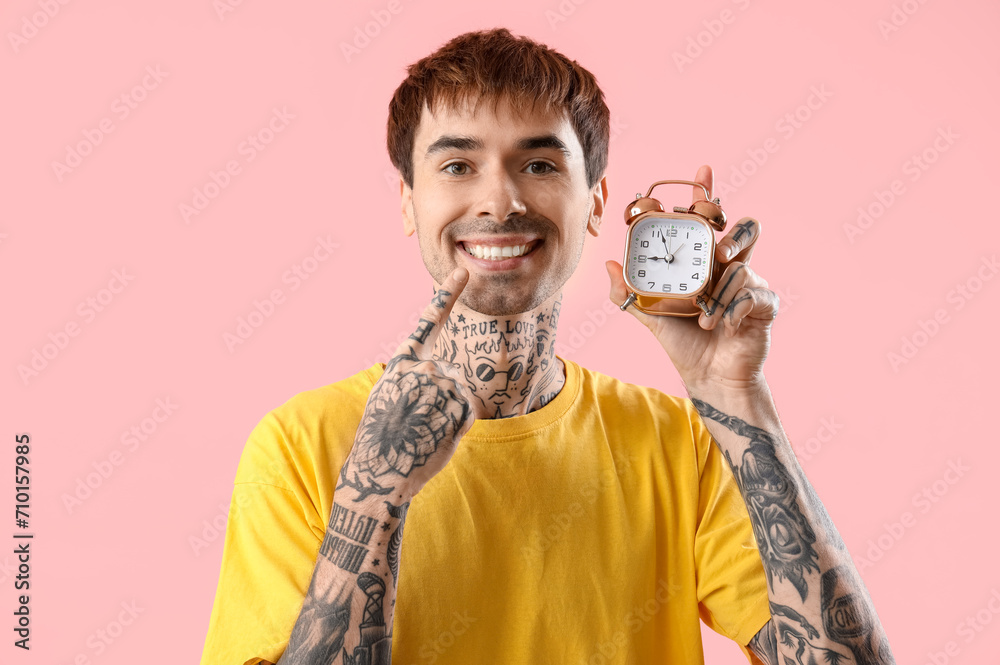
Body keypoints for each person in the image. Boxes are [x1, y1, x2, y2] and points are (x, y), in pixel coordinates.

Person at [199, 27, 896, 665]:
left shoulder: (681, 443)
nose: (500, 201)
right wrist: (372, 496)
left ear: (596, 202)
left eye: (538, 164)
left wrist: (735, 396)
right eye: (457, 166)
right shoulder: (299, 445)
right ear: (408, 202)